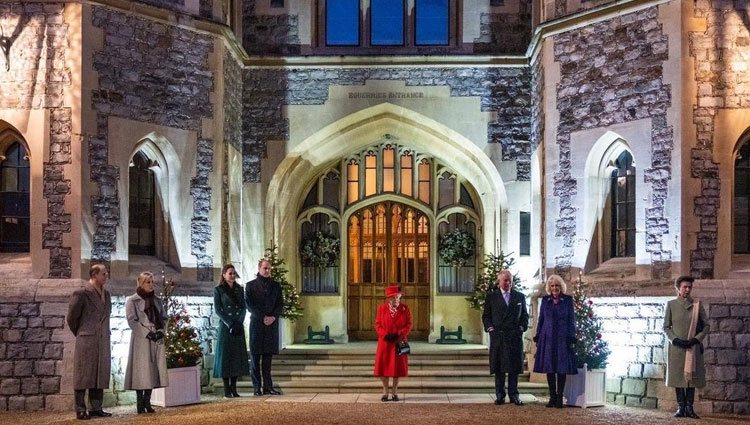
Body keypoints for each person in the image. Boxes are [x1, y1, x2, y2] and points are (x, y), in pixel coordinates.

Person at [66, 264, 112, 420]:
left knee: (99, 373)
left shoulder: (107, 294)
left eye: (106, 274)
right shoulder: (81, 293)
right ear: (94, 274)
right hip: (87, 338)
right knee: (83, 374)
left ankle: (96, 407)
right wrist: (81, 333)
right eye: (104, 274)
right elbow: (72, 318)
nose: (106, 276)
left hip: (102, 339)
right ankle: (80, 408)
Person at [663, 275, 709, 419]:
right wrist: (674, 340)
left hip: (692, 347)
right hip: (676, 347)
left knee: (692, 378)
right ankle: (681, 407)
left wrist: (696, 339)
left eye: (689, 287)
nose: (687, 289)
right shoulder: (671, 305)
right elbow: (665, 327)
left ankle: (690, 408)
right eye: (685, 287)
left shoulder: (697, 305)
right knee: (678, 377)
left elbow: (706, 326)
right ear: (678, 288)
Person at [482, 269, 529, 406]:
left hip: (514, 336)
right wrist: (490, 328)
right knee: (499, 368)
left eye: (510, 280)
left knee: (514, 368)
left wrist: (521, 328)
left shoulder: (519, 296)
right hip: (498, 336)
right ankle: (500, 395)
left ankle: (514, 395)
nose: (508, 283)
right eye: (505, 280)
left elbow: (525, 316)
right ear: (499, 281)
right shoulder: (492, 297)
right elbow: (486, 316)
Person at [124, 271, 168, 413]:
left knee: (152, 369)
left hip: (156, 336)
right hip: (141, 338)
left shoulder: (157, 300)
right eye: (147, 282)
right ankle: (139, 403)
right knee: (141, 370)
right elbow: (131, 320)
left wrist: (161, 331)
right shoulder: (132, 300)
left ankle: (147, 402)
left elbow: (164, 317)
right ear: (140, 283)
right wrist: (146, 333)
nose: (150, 284)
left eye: (152, 281)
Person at [532, 274, 577, 408]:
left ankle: (559, 397)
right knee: (550, 368)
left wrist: (571, 336)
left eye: (557, 285)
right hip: (548, 337)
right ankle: (552, 397)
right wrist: (538, 335)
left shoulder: (568, 300)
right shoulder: (545, 300)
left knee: (561, 368)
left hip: (562, 337)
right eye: (552, 286)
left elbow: (571, 320)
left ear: (561, 286)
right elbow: (541, 320)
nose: (555, 288)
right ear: (549, 288)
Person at [245, 259, 283, 395]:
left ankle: (268, 387)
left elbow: (280, 304)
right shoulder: (250, 286)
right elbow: (249, 305)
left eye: (269, 269)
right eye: (265, 268)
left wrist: (273, 317)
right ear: (259, 268)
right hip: (257, 324)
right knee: (255, 358)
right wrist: (263, 317)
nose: (267, 271)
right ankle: (256, 387)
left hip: (271, 325)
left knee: (267, 359)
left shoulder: (276, 286)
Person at [213, 264, 250, 397]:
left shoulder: (240, 289)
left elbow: (243, 307)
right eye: (230, 273)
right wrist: (229, 323)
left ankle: (234, 388)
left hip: (237, 326)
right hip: (226, 326)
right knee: (226, 356)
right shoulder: (218, 290)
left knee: (236, 357)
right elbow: (218, 309)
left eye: (234, 273)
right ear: (224, 274)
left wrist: (239, 322)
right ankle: (226, 389)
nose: (232, 276)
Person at [374, 285, 413, 402]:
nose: (395, 299)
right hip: (385, 342)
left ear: (400, 297)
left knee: (398, 369)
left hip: (399, 342)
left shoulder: (405, 309)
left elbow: (409, 324)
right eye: (392, 298)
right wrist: (385, 334)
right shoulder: (381, 308)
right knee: (383, 367)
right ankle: (385, 391)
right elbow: (377, 324)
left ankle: (395, 392)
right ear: (388, 298)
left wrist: (400, 334)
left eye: (397, 297)